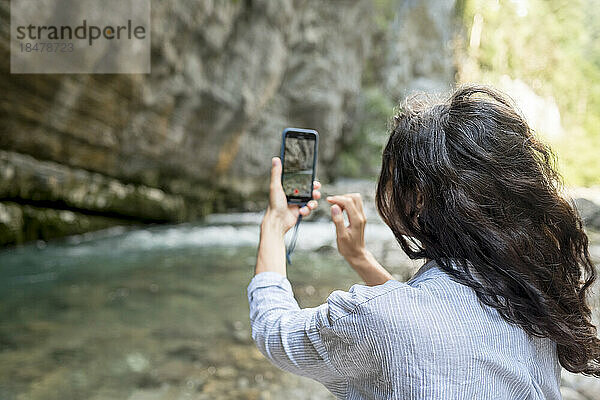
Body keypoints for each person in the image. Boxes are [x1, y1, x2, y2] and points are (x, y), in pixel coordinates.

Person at [247, 84, 600, 399]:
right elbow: (441, 324)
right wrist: (360, 258)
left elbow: (275, 330)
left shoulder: (374, 317)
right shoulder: (533, 295)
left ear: (416, 197)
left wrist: (275, 224)